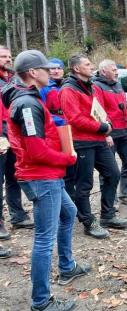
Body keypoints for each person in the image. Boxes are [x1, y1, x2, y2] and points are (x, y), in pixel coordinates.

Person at [3, 49, 90, 311]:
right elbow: (36, 151)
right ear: (32, 73)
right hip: (41, 177)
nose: (50, 72)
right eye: (45, 68)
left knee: (69, 212)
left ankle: (67, 266)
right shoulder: (27, 103)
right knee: (44, 239)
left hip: (47, 175)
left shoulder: (29, 98)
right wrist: (67, 158)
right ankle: (41, 301)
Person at [60, 54, 127, 239]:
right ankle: (88, 221)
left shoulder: (91, 87)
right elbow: (74, 118)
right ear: (76, 68)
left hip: (98, 140)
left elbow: (99, 111)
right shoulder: (68, 89)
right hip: (82, 143)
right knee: (84, 184)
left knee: (113, 174)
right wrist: (102, 127)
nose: (92, 67)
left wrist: (107, 127)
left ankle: (107, 214)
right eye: (87, 64)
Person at [93, 59, 127, 206]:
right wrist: (105, 134)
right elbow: (97, 111)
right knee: (108, 169)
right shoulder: (97, 86)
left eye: (116, 69)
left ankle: (126, 194)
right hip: (110, 132)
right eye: (113, 70)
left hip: (124, 131)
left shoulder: (118, 84)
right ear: (103, 71)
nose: (116, 72)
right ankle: (109, 200)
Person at [0, 45, 33, 241]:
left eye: (9, 57)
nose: (8, 59)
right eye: (3, 57)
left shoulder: (15, 80)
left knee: (15, 177)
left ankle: (18, 215)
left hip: (15, 136)